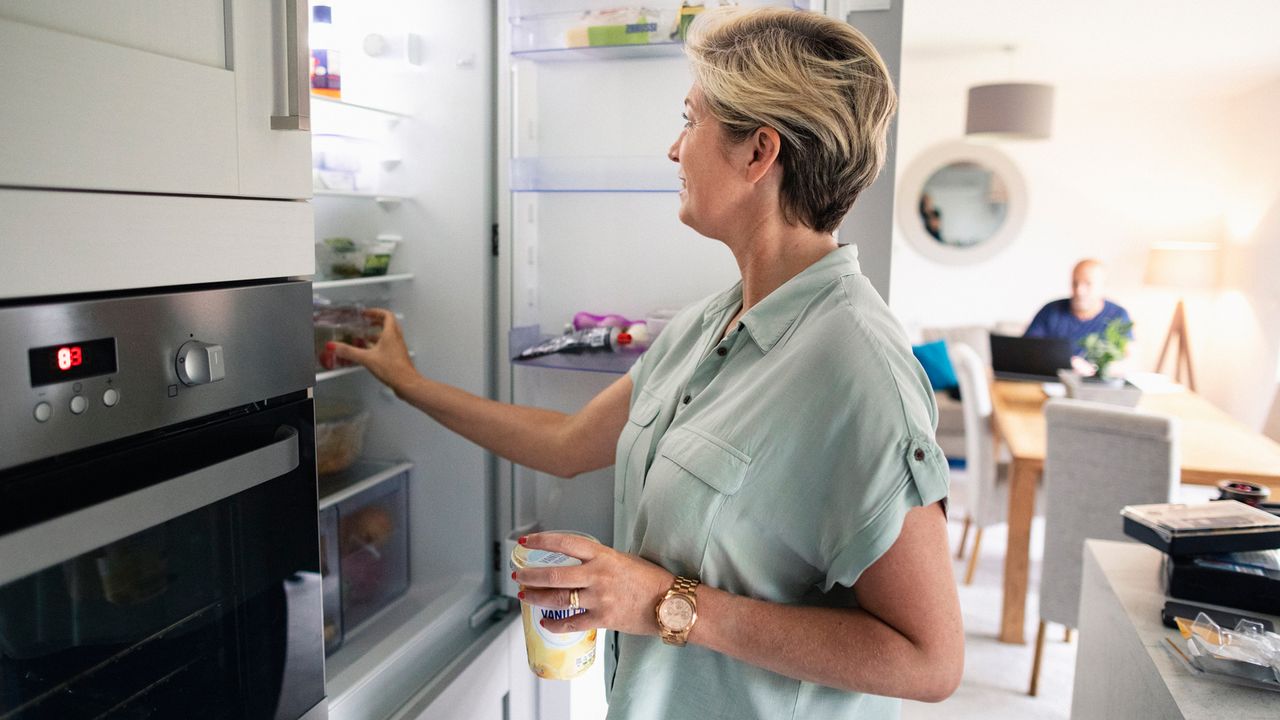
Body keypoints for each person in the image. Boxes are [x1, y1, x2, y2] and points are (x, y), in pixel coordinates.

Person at [332, 7, 963, 718]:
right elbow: (567, 445)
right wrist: (407, 382)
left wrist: (662, 602)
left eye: (690, 120)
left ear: (758, 153)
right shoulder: (709, 323)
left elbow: (928, 659)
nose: (673, 149)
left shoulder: (857, 369)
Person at [1024, 258, 1133, 374]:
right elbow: (1027, 350)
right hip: (1051, 379)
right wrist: (1067, 362)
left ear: (1103, 286)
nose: (1079, 290)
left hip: (1096, 385)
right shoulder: (1050, 310)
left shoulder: (1118, 315)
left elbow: (1130, 360)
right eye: (1075, 283)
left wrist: (1094, 369)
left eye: (1088, 284)